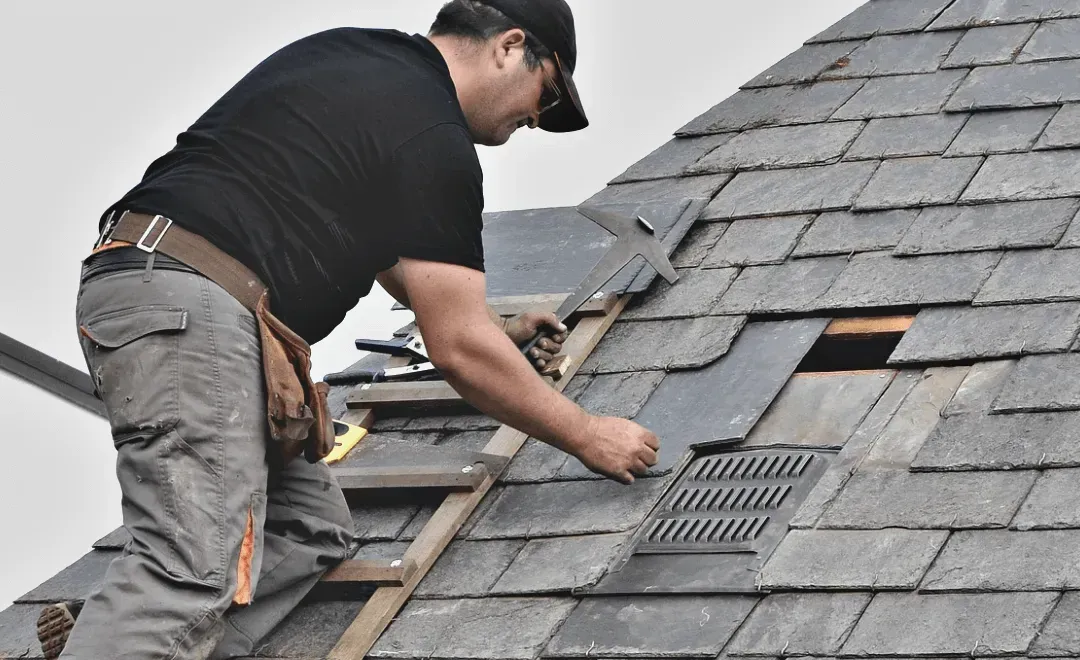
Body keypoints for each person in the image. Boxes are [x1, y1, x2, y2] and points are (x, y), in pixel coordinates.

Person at [41, 0, 661, 657]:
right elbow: (457, 350)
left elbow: (407, 267)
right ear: (510, 46)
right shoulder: (433, 134)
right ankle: (136, 632)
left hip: (156, 289)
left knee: (310, 527)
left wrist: (496, 326)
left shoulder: (352, 58)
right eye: (546, 93)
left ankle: (123, 637)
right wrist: (589, 435)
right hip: (196, 308)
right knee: (187, 570)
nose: (533, 121)